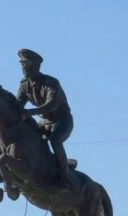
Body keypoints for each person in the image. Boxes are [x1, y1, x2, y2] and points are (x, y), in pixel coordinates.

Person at [16, 48, 74, 182]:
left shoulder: (50, 83)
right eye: (22, 64)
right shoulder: (25, 85)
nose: (24, 68)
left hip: (61, 120)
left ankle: (64, 176)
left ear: (36, 66)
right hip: (44, 122)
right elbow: (17, 105)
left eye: (27, 65)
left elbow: (51, 104)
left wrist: (30, 112)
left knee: (55, 140)